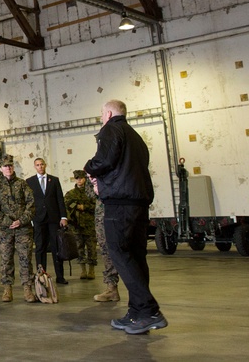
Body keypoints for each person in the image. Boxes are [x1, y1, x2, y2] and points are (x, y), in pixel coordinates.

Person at [85, 100, 166, 334]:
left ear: (108, 113)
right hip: (138, 203)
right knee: (136, 257)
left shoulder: (111, 129)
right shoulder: (135, 136)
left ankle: (149, 311)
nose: (101, 117)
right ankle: (137, 312)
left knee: (119, 253)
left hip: (120, 204)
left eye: (101, 113)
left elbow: (105, 160)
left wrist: (89, 168)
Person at [0, 154, 36, 303]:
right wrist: (6, 221)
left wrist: (21, 221)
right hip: (4, 229)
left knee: (25, 258)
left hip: (23, 228)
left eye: (10, 165)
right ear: (0, 169)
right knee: (5, 259)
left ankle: (27, 289)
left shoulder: (22, 184)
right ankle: (7, 289)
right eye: (5, 166)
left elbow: (31, 204)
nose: (8, 168)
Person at [26, 157, 69, 284]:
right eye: (37, 165)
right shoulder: (30, 182)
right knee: (40, 247)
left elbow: (60, 199)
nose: (40, 167)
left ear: (45, 165)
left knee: (57, 247)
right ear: (35, 167)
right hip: (38, 219)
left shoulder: (54, 180)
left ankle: (60, 276)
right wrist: (30, 218)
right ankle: (41, 276)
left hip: (54, 219)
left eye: (42, 164)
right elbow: (28, 201)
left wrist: (63, 217)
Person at [89, 175, 121, 302]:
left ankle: (139, 294)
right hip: (102, 217)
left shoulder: (118, 169)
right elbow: (90, 194)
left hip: (118, 212)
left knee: (126, 252)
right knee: (106, 251)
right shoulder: (93, 173)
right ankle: (111, 288)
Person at [64, 169, 97, 280]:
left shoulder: (92, 191)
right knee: (79, 247)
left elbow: (96, 205)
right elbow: (67, 204)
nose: (79, 180)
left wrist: (85, 207)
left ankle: (91, 270)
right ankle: (83, 270)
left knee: (91, 247)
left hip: (90, 223)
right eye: (77, 178)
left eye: (81, 178)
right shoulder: (71, 193)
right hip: (76, 225)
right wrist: (77, 206)